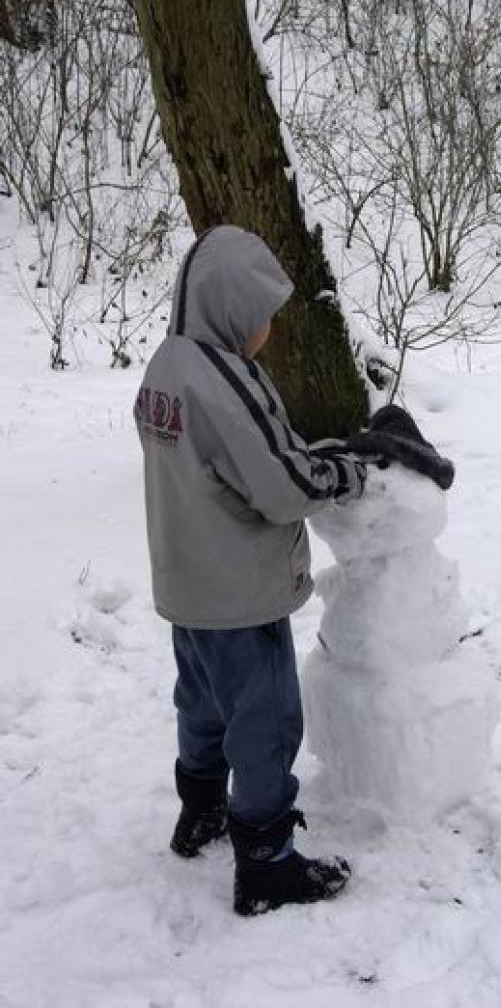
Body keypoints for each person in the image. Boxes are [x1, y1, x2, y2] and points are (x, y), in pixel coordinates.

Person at [134, 224, 368, 915]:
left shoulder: (166, 365)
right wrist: (342, 474)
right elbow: (280, 484)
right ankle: (267, 863)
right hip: (241, 595)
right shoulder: (226, 381)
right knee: (264, 721)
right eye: (264, 313)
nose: (269, 328)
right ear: (234, 309)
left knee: (201, 704)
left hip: (184, 585)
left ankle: (199, 810)